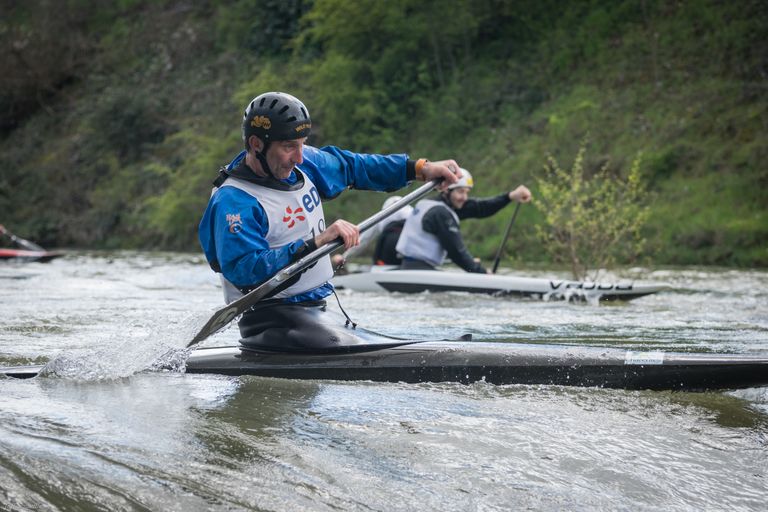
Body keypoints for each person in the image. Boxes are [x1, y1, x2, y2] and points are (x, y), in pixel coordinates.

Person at [198, 91, 460, 351]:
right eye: (289, 147)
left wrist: (418, 169)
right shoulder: (234, 202)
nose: (299, 157)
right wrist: (315, 244)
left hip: (317, 312)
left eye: (302, 144)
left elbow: (353, 166)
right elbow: (246, 272)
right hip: (272, 324)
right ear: (256, 144)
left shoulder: (301, 164)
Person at [395, 169, 532, 273]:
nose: (464, 198)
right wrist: (482, 273)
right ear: (446, 191)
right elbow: (457, 252)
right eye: (461, 192)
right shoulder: (440, 213)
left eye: (467, 192)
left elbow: (481, 208)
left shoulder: (430, 204)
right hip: (419, 271)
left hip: (411, 267)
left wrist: (510, 196)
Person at [331, 195, 412, 268]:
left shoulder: (382, 216)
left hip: (390, 243)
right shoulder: (412, 212)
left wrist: (344, 257)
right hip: (408, 246)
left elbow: (363, 240)